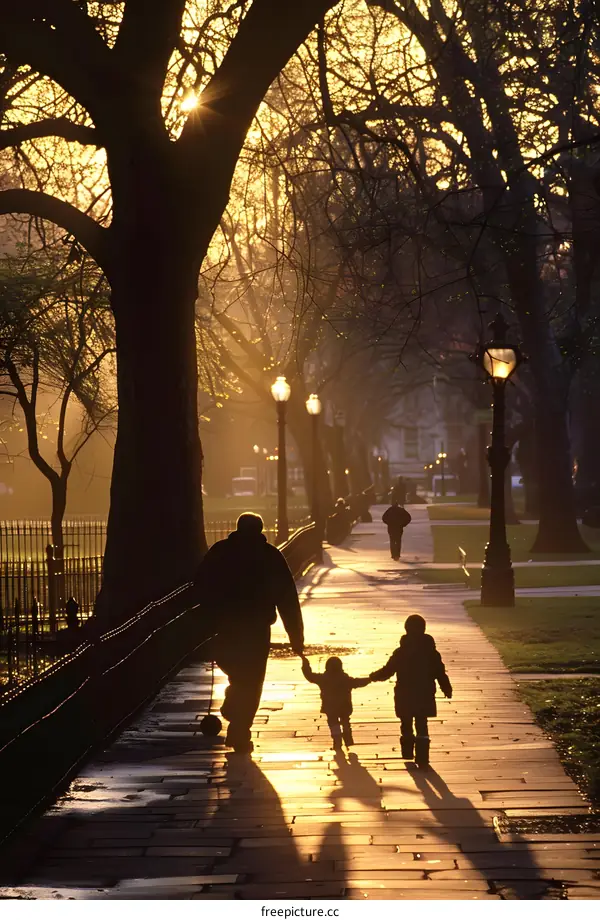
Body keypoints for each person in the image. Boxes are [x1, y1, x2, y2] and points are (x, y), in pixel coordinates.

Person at [194, 512, 304, 754]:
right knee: (253, 680)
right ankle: (241, 728)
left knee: (234, 670)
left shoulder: (220, 552)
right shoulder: (270, 556)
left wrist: (205, 619)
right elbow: (287, 597)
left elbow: (200, 585)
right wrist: (295, 634)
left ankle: (235, 705)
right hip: (256, 628)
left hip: (225, 625)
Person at [369, 614, 452, 767]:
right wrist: (446, 688)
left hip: (404, 694)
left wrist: (373, 677)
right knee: (422, 723)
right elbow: (440, 672)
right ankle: (422, 757)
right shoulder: (431, 652)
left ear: (406, 630)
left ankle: (407, 751)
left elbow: (388, 670)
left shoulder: (400, 652)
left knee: (406, 722)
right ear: (424, 629)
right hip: (424, 693)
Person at [301, 655, 370, 749]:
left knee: (333, 723)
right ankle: (348, 738)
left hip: (330, 707)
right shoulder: (346, 679)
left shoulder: (323, 678)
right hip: (344, 706)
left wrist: (305, 663)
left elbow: (309, 676)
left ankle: (337, 740)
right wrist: (371, 678)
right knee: (345, 721)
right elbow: (358, 682)